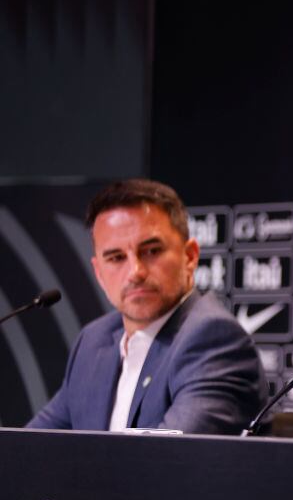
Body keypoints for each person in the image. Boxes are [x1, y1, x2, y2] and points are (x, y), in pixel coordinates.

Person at [27, 179, 266, 433]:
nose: (135, 272)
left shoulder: (212, 339)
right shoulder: (93, 341)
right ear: (99, 273)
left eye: (151, 251)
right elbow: (28, 446)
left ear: (190, 256)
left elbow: (168, 455)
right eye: (116, 258)